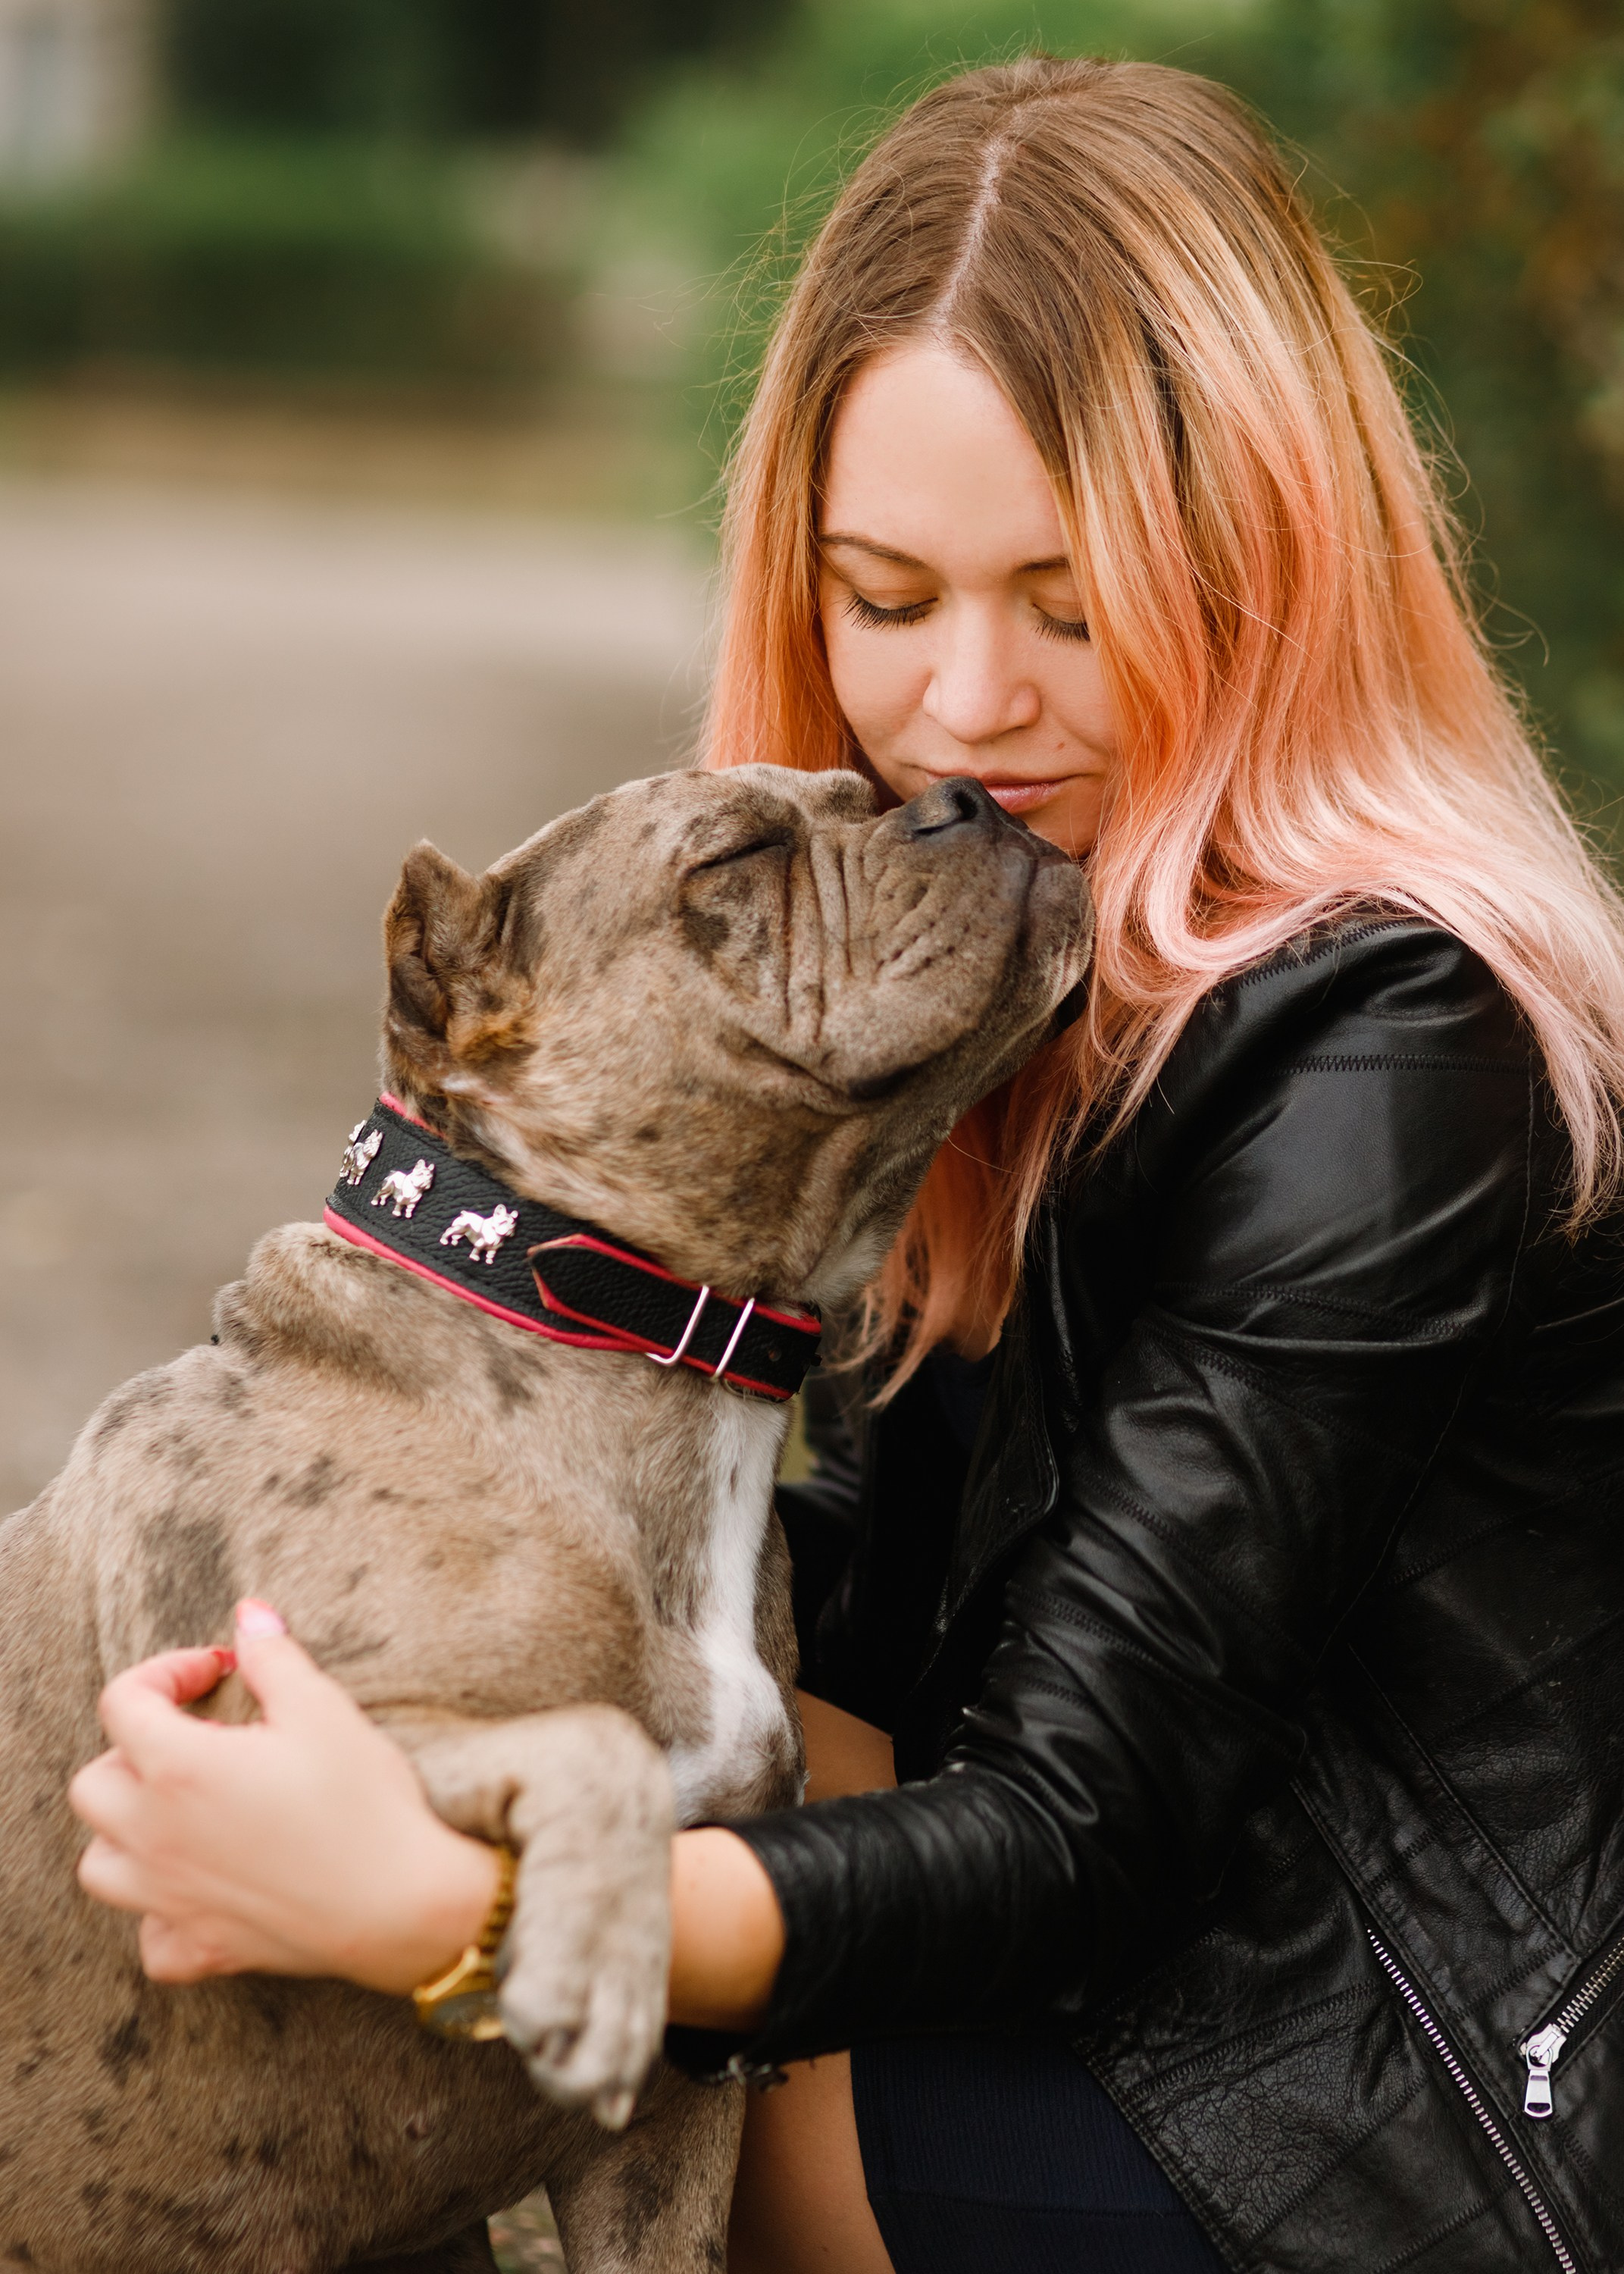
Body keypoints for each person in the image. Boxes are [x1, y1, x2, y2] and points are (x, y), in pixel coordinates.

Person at [67, 55, 1624, 2274]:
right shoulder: (982, 974)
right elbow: (844, 1641)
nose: (966, 708)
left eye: (1073, 604)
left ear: (1270, 566)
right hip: (1149, 1971)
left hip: (1369, 2121)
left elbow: (1080, 1831)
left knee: (410, 2043)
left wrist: (445, 1903)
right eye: (888, 600)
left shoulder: (1389, 1036)